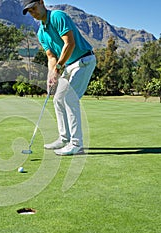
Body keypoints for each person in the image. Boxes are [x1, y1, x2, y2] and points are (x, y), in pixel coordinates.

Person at [22, 0, 96, 155]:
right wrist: (51, 75)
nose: (33, 12)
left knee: (69, 97)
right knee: (57, 98)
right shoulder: (41, 32)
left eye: (34, 8)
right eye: (29, 11)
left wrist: (58, 68)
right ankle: (64, 138)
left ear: (41, 2)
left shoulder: (57, 16)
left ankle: (76, 144)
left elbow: (70, 44)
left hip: (83, 60)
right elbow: (51, 57)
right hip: (68, 65)